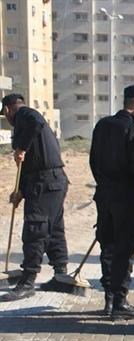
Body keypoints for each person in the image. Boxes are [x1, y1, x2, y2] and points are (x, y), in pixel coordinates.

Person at [89, 85, 134, 319]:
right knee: (125, 247)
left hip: (103, 193)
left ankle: (109, 298)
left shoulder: (102, 125)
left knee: (107, 244)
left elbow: (93, 160)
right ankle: (120, 302)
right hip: (124, 195)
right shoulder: (133, 130)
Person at [0, 94, 69, 302]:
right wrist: (20, 190)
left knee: (35, 229)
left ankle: (28, 281)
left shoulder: (25, 114)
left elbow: (36, 122)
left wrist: (21, 147)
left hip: (46, 182)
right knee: (54, 228)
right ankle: (61, 276)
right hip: (50, 181)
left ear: (7, 110)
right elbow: (28, 165)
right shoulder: (24, 124)